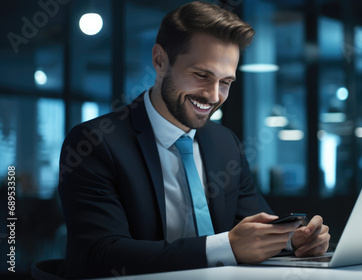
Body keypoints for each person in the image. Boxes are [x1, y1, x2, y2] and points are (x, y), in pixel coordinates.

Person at [58, 1, 330, 278]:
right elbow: (101, 255)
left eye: (225, 82)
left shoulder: (225, 144)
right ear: (160, 61)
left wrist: (292, 241)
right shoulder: (95, 142)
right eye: (202, 75)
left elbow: (256, 230)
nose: (213, 96)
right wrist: (226, 247)